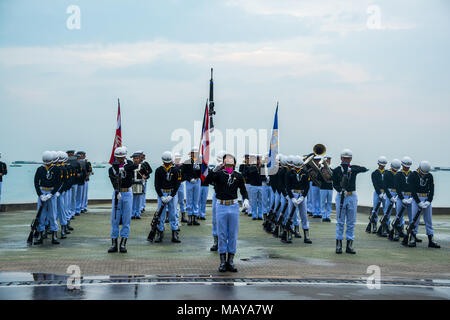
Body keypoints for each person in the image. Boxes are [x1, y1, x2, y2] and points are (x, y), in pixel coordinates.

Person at [204, 153, 250, 272]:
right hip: (221, 206)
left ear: (234, 163)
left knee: (233, 234)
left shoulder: (238, 176)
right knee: (222, 233)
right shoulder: (218, 174)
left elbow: (243, 190)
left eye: (231, 161)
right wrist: (214, 169)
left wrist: (245, 199)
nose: (228, 163)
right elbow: (206, 180)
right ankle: (223, 261)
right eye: (226, 161)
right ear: (223, 164)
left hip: (233, 205)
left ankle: (231, 260)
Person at [108, 146, 147, 253]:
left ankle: (123, 243)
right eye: (118, 157)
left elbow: (133, 166)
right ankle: (114, 243)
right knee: (115, 219)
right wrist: (116, 173)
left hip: (127, 192)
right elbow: (112, 180)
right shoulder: (112, 167)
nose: (119, 159)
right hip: (117, 193)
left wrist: (123, 169)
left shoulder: (129, 164)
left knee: (126, 219)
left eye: (121, 157)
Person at [332, 149, 368, 254]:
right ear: (341, 158)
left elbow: (365, 169)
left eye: (348, 158)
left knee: (351, 222)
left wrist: (352, 168)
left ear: (351, 159)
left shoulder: (353, 169)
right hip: (341, 196)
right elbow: (334, 184)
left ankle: (349, 245)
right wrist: (340, 190)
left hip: (352, 195)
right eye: (344, 158)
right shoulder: (337, 170)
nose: (346, 160)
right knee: (340, 221)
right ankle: (338, 245)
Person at [406, 161, 440, 248]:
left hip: (426, 199)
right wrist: (418, 202)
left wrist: (429, 201)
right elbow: (412, 190)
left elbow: (432, 190)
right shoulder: (413, 175)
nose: (424, 174)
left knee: (428, 220)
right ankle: (413, 238)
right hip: (416, 198)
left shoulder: (429, 175)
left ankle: (431, 239)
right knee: (414, 220)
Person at [33, 151, 62, 245]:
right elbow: (36, 182)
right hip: (42, 192)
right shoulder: (40, 169)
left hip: (51, 193)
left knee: (52, 214)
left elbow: (59, 183)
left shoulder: (57, 169)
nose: (47, 163)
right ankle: (40, 235)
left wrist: (52, 194)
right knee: (41, 215)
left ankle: (54, 235)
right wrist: (40, 194)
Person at [154, 151, 182, 243]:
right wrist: (161, 196)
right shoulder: (159, 170)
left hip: (172, 193)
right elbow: (156, 185)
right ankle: (160, 232)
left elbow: (177, 184)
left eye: (168, 162)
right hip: (162, 192)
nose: (167, 163)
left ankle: (175, 232)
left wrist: (171, 195)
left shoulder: (176, 170)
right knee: (160, 214)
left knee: (173, 213)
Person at [284, 155, 312, 243]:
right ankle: (289, 233)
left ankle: (306, 235)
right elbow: (287, 187)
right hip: (293, 193)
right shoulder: (289, 173)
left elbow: (307, 186)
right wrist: (292, 198)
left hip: (302, 195)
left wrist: (303, 196)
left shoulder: (305, 172)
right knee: (291, 215)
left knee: (303, 215)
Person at [394, 156, 414, 240]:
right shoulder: (398, 174)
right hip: (401, 196)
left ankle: (412, 234)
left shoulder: (412, 174)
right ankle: (397, 232)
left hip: (410, 197)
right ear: (402, 165)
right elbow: (397, 188)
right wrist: (402, 198)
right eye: (405, 166)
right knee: (399, 215)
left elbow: (414, 187)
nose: (407, 167)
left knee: (412, 217)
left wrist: (411, 197)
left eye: (408, 166)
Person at [209, 150, 225, 251]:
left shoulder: (231, 170)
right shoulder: (215, 169)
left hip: (227, 196)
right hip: (217, 195)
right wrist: (214, 171)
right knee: (215, 219)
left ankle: (223, 241)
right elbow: (209, 180)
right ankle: (216, 241)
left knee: (225, 221)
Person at [181, 147, 201, 226]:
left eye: (196, 153)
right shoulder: (186, 162)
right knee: (189, 199)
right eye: (193, 152)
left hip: (197, 181)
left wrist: (197, 177)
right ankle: (189, 216)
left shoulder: (199, 162)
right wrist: (189, 179)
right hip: (189, 182)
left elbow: (202, 172)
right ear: (191, 153)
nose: (195, 154)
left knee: (196, 200)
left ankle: (195, 217)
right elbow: (184, 173)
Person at [368, 156, 388, 233]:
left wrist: (386, 193)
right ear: (378, 164)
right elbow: (375, 184)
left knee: (386, 210)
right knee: (375, 210)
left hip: (385, 193)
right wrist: (379, 193)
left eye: (383, 164)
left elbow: (388, 184)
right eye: (380, 164)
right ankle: (374, 224)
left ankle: (385, 225)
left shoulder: (387, 173)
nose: (382, 166)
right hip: (377, 192)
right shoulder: (374, 173)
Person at [383, 159, 402, 240]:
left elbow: (401, 185)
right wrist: (390, 196)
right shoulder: (387, 173)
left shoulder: (400, 174)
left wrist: (398, 195)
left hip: (398, 193)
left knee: (399, 212)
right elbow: (385, 186)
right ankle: (385, 227)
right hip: (389, 193)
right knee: (387, 212)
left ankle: (399, 228)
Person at [247, 154, 264, 220]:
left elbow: (263, 176)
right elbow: (249, 174)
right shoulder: (252, 167)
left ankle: (260, 215)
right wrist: (257, 168)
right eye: (258, 159)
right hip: (253, 185)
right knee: (253, 201)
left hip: (260, 186)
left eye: (260, 159)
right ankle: (254, 214)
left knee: (260, 201)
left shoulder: (262, 167)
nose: (259, 161)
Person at [131, 152, 145, 220]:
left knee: (139, 200)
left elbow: (147, 174)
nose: (136, 160)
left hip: (139, 183)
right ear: (133, 159)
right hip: (132, 183)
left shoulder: (142, 166)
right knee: (133, 199)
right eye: (134, 158)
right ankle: (132, 213)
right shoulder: (130, 166)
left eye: (137, 158)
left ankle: (138, 213)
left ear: (139, 159)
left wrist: (145, 176)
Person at [174, 153, 187, 223]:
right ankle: (169, 216)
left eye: (178, 158)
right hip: (174, 185)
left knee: (181, 201)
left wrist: (181, 180)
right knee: (174, 201)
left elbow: (185, 175)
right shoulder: (172, 166)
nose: (177, 159)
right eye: (176, 158)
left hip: (181, 184)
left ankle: (183, 216)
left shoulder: (182, 166)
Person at [319, 156, 333, 222]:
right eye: (327, 160)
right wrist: (323, 174)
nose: (328, 162)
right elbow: (318, 178)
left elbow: (334, 178)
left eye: (329, 160)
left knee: (329, 202)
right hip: (323, 187)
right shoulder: (321, 170)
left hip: (330, 188)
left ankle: (328, 216)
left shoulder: (332, 170)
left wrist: (329, 176)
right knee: (322, 202)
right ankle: (323, 216)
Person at [75, 151, 87, 216]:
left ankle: (78, 209)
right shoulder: (73, 164)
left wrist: (81, 175)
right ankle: (75, 209)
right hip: (75, 182)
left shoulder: (83, 163)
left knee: (79, 196)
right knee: (75, 197)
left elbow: (84, 172)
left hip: (80, 181)